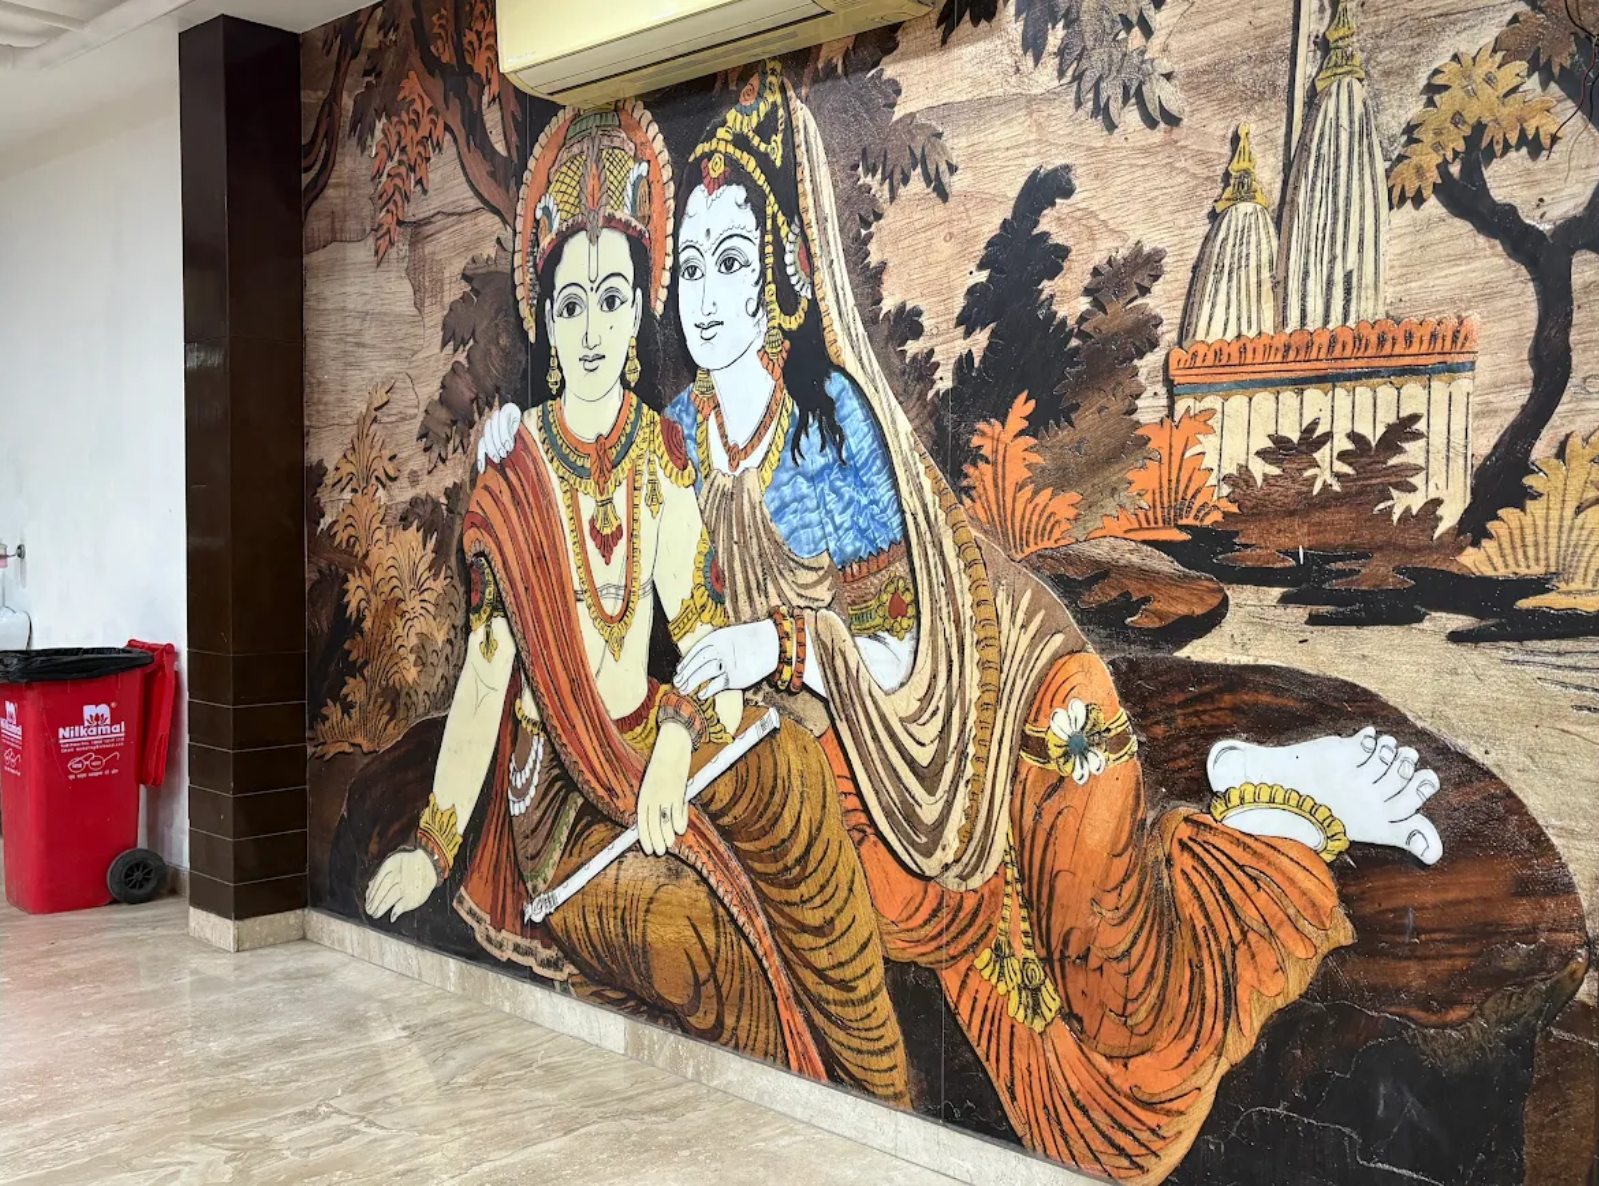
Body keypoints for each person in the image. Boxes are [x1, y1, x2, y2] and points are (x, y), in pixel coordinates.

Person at [659, 62, 1445, 1182]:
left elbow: (905, 644)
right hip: (877, 770)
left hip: (1002, 708)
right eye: (689, 266)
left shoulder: (830, 432)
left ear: (783, 276)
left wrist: (778, 646)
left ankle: (1275, 808)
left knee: (1124, 1000)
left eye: (733, 261)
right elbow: (619, 535)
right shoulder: (681, 435)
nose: (706, 295)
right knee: (1083, 1110)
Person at [362, 100, 909, 1104]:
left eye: (611, 299)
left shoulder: (662, 451)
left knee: (791, 775)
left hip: (653, 735)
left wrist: (671, 748)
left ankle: (880, 1086)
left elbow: (693, 620)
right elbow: (484, 680)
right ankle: (784, 1120)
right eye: (570, 305)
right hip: (562, 788)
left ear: (637, 315)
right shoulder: (514, 475)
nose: (591, 328)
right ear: (546, 322)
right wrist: (433, 847)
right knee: (696, 929)